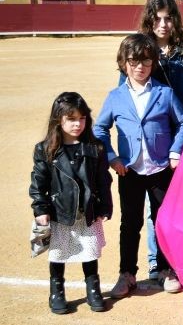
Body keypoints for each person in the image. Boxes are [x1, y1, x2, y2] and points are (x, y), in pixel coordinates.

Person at [93, 33, 183, 298]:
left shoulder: (165, 92)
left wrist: (175, 150)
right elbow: (99, 128)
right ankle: (127, 273)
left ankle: (165, 269)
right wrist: (112, 157)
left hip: (161, 169)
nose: (140, 67)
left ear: (153, 63)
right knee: (130, 223)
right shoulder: (116, 97)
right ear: (124, 63)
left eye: (146, 61)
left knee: (163, 221)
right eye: (134, 61)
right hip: (130, 171)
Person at [132, 0, 183, 280]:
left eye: (168, 17)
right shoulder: (140, 54)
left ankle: (182, 258)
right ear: (149, 21)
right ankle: (156, 262)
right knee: (156, 205)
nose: (163, 24)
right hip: (156, 142)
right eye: (157, 18)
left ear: (176, 20)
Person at [29, 92, 113, 314]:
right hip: (60, 212)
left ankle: (92, 288)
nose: (78, 124)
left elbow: (104, 180)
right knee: (58, 253)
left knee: (90, 252)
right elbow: (38, 182)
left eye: (82, 118)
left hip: (87, 210)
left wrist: (105, 206)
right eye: (71, 119)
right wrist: (40, 209)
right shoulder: (45, 149)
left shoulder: (96, 147)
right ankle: (56, 291)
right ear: (59, 120)